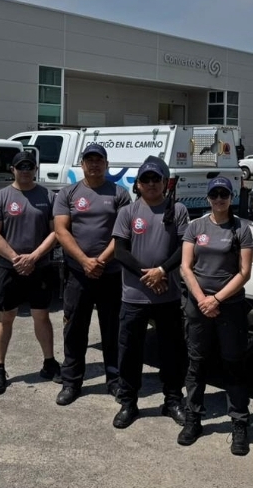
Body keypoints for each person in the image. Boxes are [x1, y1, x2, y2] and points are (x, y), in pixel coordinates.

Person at [110, 155, 190, 429]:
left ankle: (173, 400)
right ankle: (128, 402)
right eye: (146, 179)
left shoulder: (177, 210)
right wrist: (149, 276)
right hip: (134, 296)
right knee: (130, 351)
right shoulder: (128, 212)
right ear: (138, 184)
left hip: (168, 295)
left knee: (172, 351)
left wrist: (162, 271)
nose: (152, 183)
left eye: (156, 178)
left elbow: (184, 248)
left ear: (165, 183)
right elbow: (120, 252)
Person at [178, 177, 253, 454]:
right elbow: (186, 267)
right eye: (215, 194)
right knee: (196, 363)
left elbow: (244, 272)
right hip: (198, 305)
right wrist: (202, 300)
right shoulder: (195, 227)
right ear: (208, 198)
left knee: (233, 364)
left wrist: (217, 299)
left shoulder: (241, 229)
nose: (219, 199)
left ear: (231, 197)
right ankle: (193, 418)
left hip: (229, 306)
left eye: (224, 194)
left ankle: (239, 423)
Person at [53, 143, 131, 406]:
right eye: (90, 160)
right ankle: (71, 382)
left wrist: (100, 260)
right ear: (82, 164)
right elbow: (61, 230)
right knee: (74, 328)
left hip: (111, 273)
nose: (94, 164)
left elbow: (122, 233)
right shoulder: (68, 193)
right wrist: (84, 261)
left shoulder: (120, 193)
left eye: (99, 160)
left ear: (106, 164)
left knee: (113, 329)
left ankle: (115, 380)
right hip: (77, 273)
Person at [0, 151, 61, 396]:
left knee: (42, 316)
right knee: (5, 317)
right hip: (8, 268)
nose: (25, 170)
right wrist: (16, 259)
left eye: (29, 166)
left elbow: (56, 232)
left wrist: (34, 257)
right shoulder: (0, 197)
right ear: (13, 169)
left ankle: (49, 363)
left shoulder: (48, 197)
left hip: (40, 267)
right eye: (21, 166)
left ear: (35, 169)